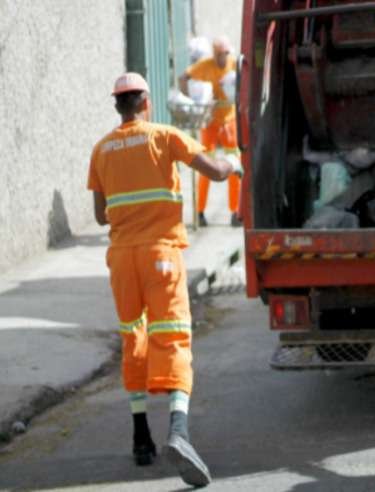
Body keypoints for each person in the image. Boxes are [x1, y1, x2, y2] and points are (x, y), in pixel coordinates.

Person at [88, 72, 243, 486]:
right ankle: (179, 431)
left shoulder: (101, 149)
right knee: (172, 336)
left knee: (133, 335)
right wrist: (236, 163)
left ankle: (141, 436)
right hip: (161, 255)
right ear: (146, 103)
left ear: (118, 106)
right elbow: (214, 171)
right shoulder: (164, 136)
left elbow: (100, 215)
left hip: (122, 259)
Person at [179, 35, 241, 227]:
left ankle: (235, 211)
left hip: (229, 122)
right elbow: (183, 78)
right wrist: (193, 100)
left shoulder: (233, 64)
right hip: (210, 123)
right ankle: (200, 212)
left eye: (226, 54)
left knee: (234, 167)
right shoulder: (205, 65)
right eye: (221, 54)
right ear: (215, 54)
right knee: (205, 167)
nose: (224, 57)